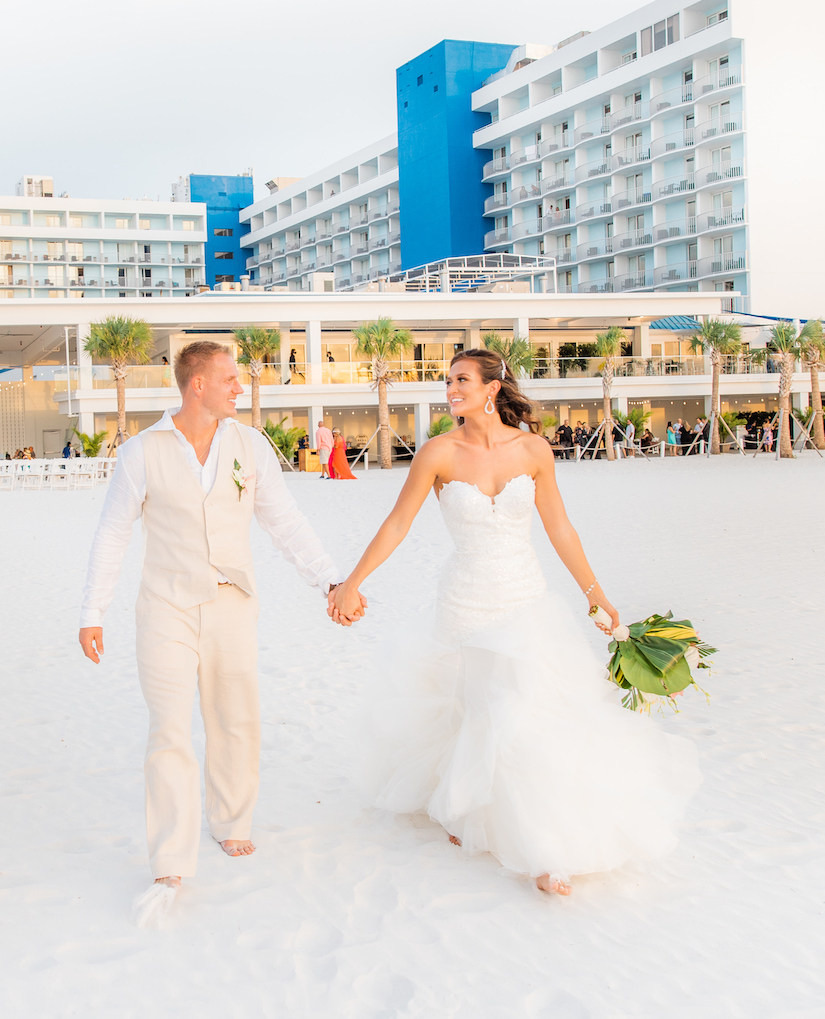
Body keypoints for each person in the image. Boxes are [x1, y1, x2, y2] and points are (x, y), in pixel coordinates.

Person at [327, 349, 699, 897]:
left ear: (493, 387)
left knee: (527, 711)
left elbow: (560, 528)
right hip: (466, 600)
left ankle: (546, 850)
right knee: (481, 709)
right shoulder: (437, 452)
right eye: (448, 380)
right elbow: (398, 523)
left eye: (461, 379)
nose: (451, 388)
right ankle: (472, 810)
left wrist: (598, 598)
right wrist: (352, 582)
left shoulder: (533, 449)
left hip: (525, 597)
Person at [78, 341, 345, 924]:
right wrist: (92, 610)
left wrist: (328, 580)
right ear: (196, 384)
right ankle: (171, 856)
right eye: (229, 378)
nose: (238, 387)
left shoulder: (251, 445)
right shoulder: (140, 452)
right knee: (169, 730)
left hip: (231, 604)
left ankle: (230, 821)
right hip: (165, 608)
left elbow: (284, 521)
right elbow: (112, 534)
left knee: (235, 718)